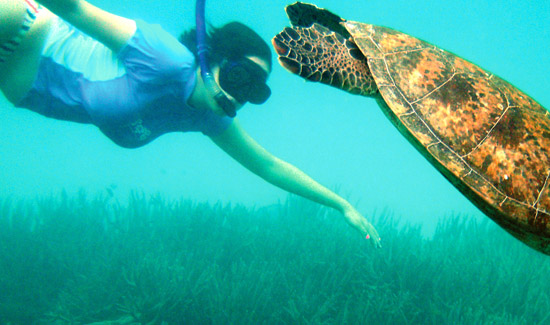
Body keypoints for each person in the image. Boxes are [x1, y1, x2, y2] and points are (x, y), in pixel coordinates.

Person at [0, 0, 381, 247]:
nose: (238, 97)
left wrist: (341, 205)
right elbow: (76, 10)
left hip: (13, 79)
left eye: (253, 94)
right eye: (239, 78)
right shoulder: (165, 58)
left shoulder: (204, 117)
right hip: (22, 31)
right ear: (211, 57)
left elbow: (268, 165)